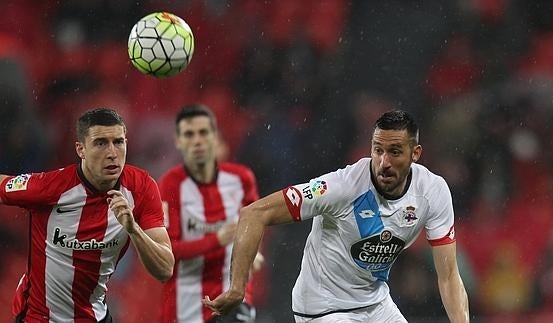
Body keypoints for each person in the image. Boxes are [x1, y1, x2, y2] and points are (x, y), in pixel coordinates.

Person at [203, 110, 470, 322]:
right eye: (378, 150)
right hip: (323, 308)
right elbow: (254, 213)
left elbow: (448, 276)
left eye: (395, 152)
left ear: (416, 154)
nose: (384, 162)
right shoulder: (341, 187)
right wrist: (237, 287)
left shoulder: (433, 192)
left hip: (376, 304)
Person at [0, 108, 175, 323]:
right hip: (38, 318)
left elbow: (165, 269)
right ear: (80, 149)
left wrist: (133, 229)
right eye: (100, 143)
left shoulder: (143, 189)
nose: (112, 153)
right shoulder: (51, 187)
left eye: (118, 142)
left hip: (95, 317)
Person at [159, 104, 262, 323]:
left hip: (232, 295)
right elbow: (169, 251)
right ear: (178, 141)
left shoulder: (242, 179)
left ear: (215, 137)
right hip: (186, 305)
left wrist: (254, 251)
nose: (197, 140)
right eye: (189, 134)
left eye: (203, 132)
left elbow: (256, 225)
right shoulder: (170, 185)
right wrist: (217, 239)